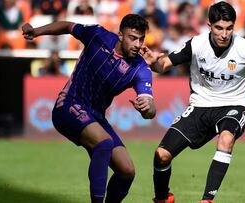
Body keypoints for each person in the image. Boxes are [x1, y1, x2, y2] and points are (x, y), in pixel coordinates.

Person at [142, 1, 245, 202]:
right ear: (209, 26)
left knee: (226, 139)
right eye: (219, 28)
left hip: (235, 105)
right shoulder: (196, 44)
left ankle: (206, 199)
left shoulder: (244, 48)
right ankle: (163, 197)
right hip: (200, 107)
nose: (224, 34)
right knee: (161, 155)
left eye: (229, 29)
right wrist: (153, 62)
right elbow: (163, 65)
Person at [22, 14, 156, 203]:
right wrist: (36, 32)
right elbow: (68, 26)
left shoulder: (140, 68)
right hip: (68, 104)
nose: (138, 44)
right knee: (104, 143)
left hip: (95, 116)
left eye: (141, 39)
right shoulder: (98, 35)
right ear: (120, 35)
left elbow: (150, 107)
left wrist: (147, 108)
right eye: (132, 38)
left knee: (126, 171)